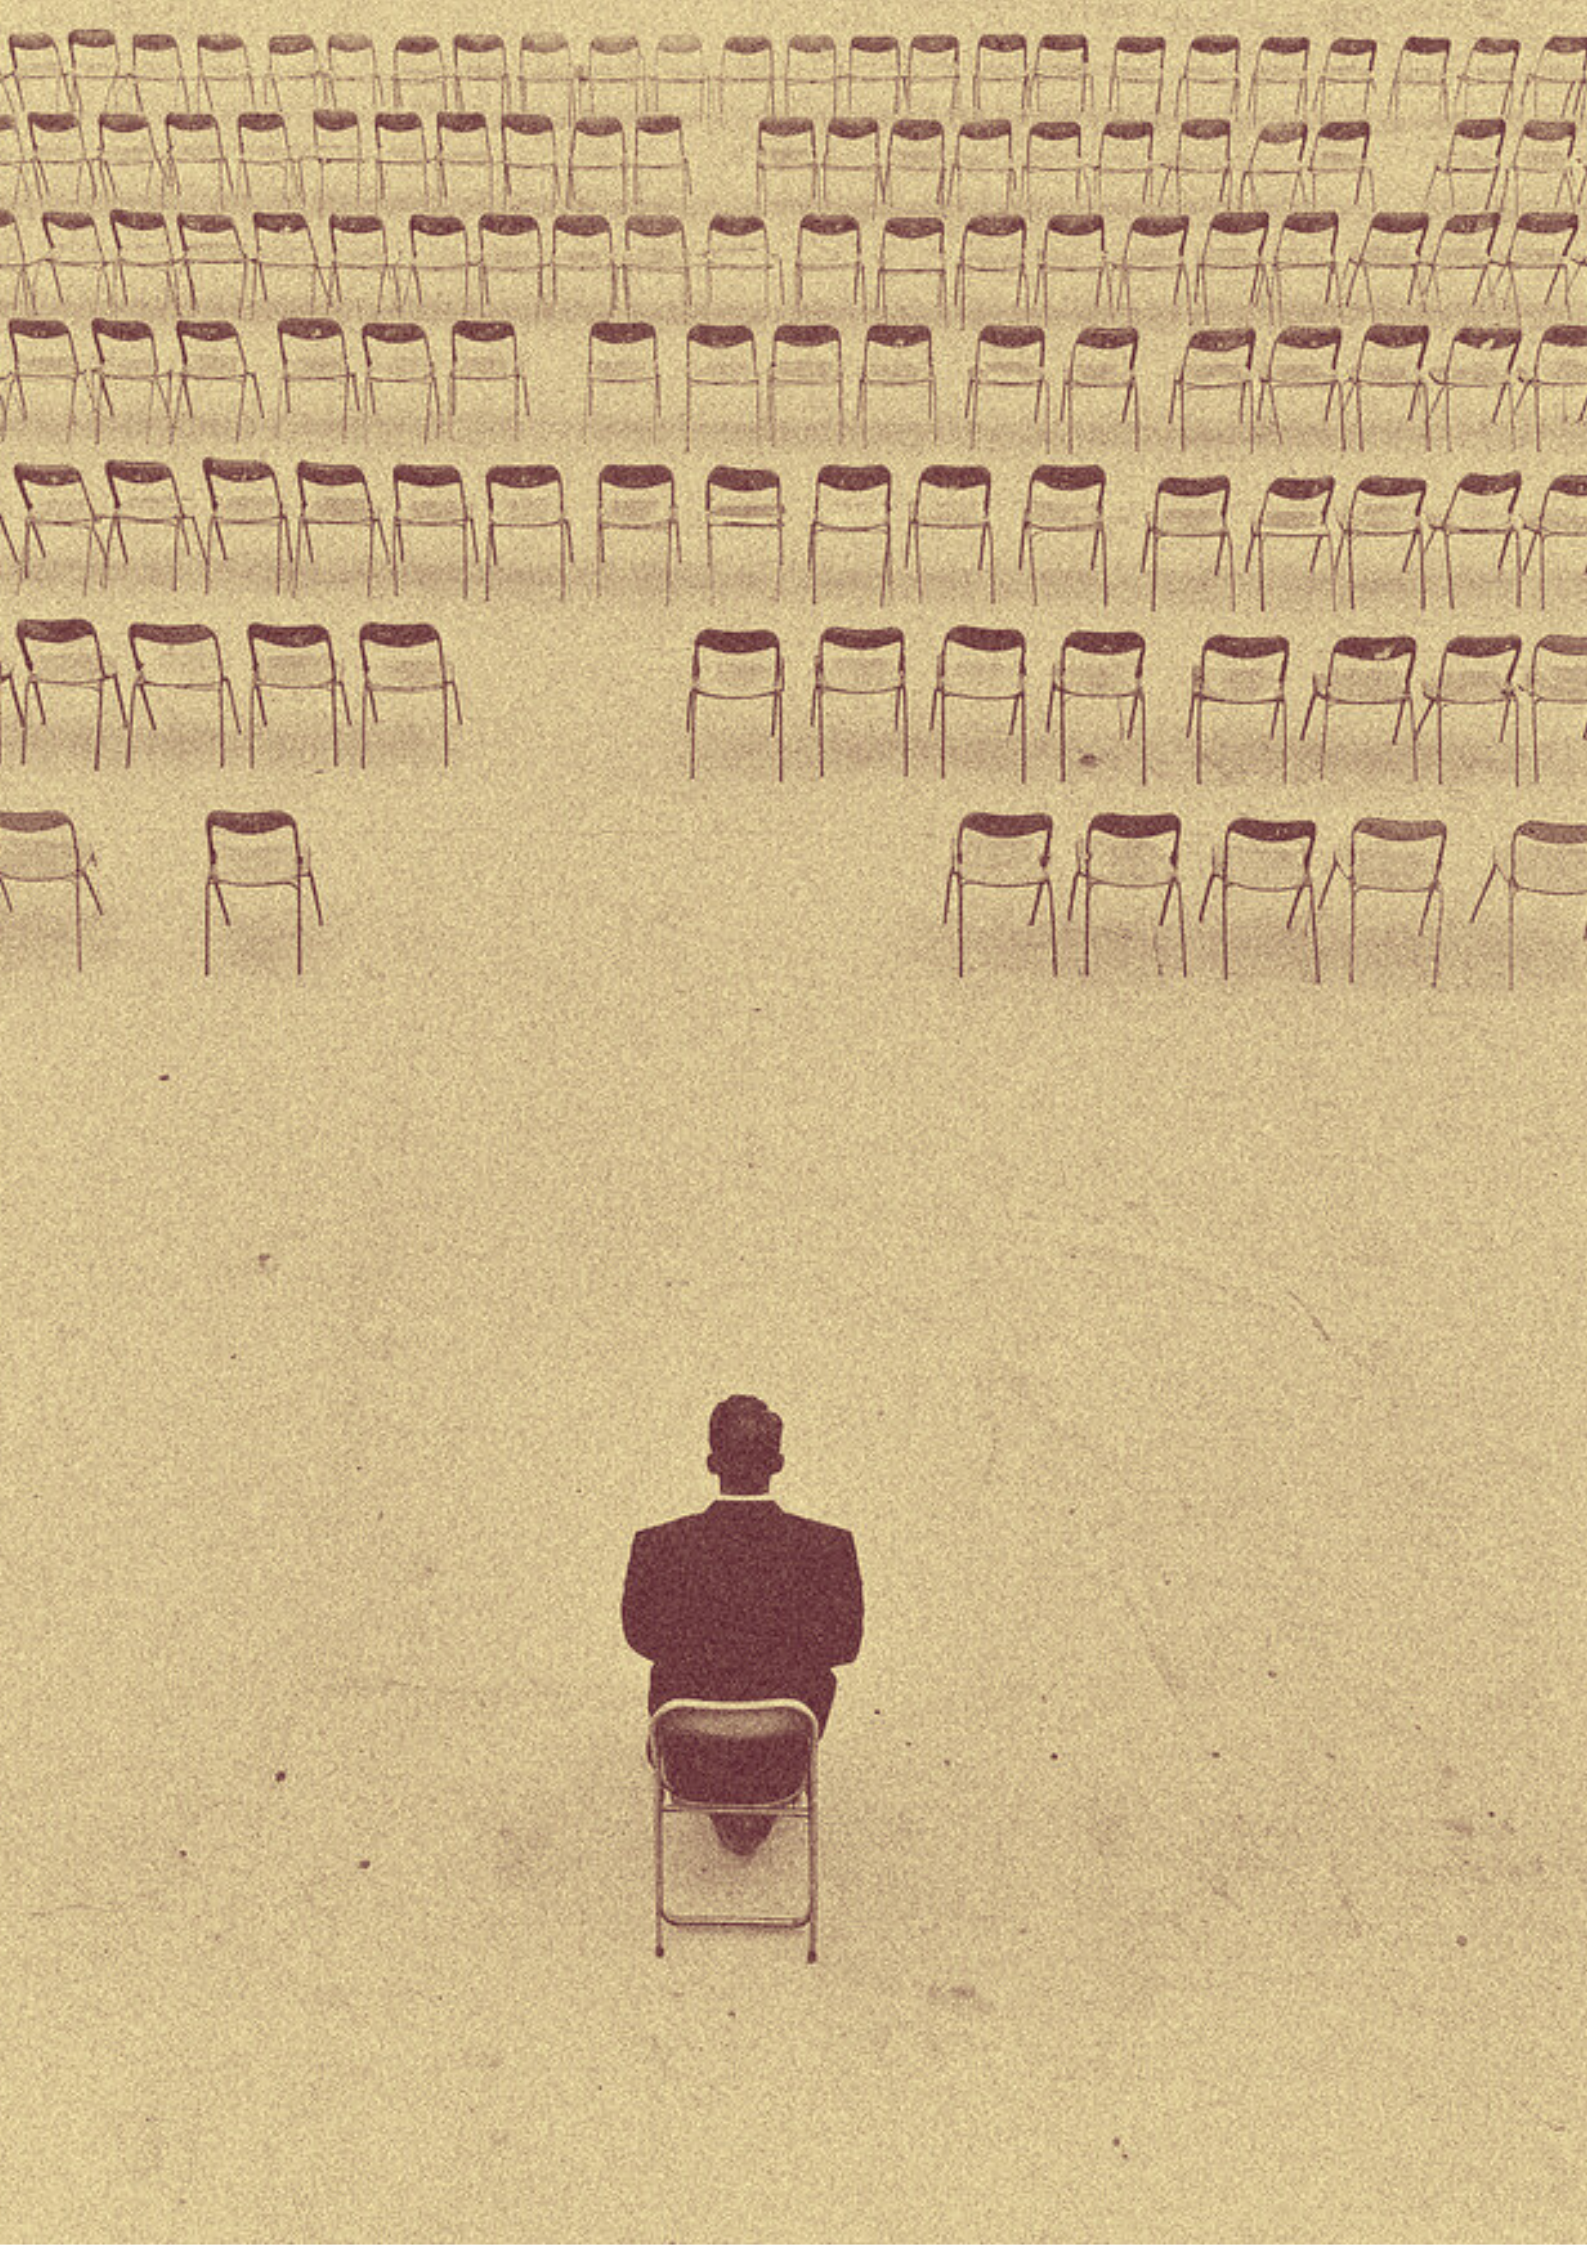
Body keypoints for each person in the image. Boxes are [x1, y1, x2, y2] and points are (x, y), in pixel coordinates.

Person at [622, 1395, 865, 1856]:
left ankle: (725, 1805)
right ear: (778, 1462)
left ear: (711, 1462)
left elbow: (641, 1636)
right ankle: (755, 1808)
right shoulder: (828, 1547)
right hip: (783, 1755)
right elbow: (844, 1645)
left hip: (690, 1753)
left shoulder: (659, 1545)